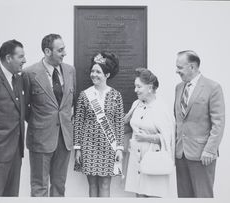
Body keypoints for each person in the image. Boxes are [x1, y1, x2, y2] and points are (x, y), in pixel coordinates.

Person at [23, 34, 76, 196]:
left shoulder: (70, 71)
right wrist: (40, 124)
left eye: (64, 49)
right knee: (39, 187)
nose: (64, 53)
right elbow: (24, 107)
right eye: (60, 50)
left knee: (59, 186)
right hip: (40, 139)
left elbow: (70, 102)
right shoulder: (29, 73)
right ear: (47, 51)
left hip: (64, 139)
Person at [174, 50, 225, 198]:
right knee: (184, 197)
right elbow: (178, 120)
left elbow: (218, 123)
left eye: (180, 67)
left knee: (203, 196)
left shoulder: (213, 87)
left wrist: (210, 150)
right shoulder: (178, 88)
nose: (176, 70)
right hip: (181, 153)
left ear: (192, 67)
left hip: (202, 155)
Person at [74, 52, 124, 197]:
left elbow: (119, 123)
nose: (94, 74)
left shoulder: (116, 95)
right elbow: (78, 123)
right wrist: (78, 148)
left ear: (107, 75)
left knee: (105, 185)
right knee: (92, 185)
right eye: (92, 71)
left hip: (109, 146)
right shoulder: (85, 95)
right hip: (88, 145)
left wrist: (119, 148)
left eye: (98, 72)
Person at [124, 68, 177, 198]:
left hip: (154, 158)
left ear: (150, 88)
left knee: (153, 195)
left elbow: (168, 138)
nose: (135, 90)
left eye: (139, 86)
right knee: (139, 195)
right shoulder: (136, 104)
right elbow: (129, 125)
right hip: (136, 157)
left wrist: (146, 137)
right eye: (135, 86)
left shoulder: (161, 108)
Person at [0, 39, 26, 196]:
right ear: (9, 58)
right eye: (21, 56)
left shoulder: (19, 79)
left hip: (16, 152)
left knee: (12, 195)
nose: (25, 60)